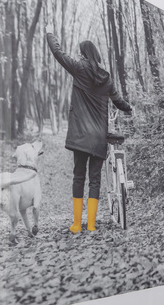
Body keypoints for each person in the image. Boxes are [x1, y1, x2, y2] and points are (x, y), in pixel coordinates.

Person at [44, 26, 132, 233]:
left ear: (84, 54)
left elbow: (58, 53)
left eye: (80, 53)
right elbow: (118, 101)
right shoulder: (107, 79)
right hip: (99, 136)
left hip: (81, 135)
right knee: (95, 180)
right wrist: (130, 108)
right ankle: (91, 225)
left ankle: (77, 224)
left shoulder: (79, 69)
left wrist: (49, 33)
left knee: (78, 177)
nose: (78, 56)